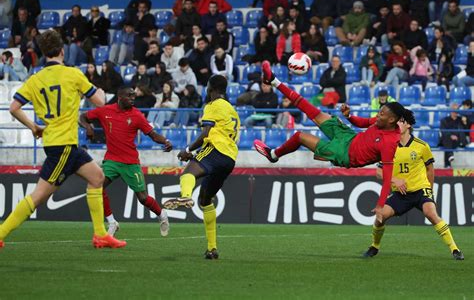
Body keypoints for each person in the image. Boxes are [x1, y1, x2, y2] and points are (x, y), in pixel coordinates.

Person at [0, 30, 125, 249]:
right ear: (62, 51)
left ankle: (100, 235)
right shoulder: (72, 74)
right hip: (63, 146)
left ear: (44, 53)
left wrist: (34, 126)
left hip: (60, 143)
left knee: (97, 177)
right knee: (38, 197)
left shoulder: (35, 79)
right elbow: (100, 101)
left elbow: (14, 108)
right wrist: (102, 92)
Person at [254, 60, 408, 221]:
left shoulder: (390, 143)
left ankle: (273, 154)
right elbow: (363, 123)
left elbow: (387, 177)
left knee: (299, 136)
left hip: (344, 154)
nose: (378, 115)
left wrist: (380, 205)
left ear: (391, 120)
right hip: (349, 136)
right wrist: (348, 116)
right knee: (311, 110)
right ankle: (274, 80)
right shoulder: (380, 121)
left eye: (382, 114)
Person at [363, 113, 464, 261]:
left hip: (420, 190)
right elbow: (379, 172)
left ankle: (455, 249)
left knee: (431, 214)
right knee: (380, 216)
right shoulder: (388, 146)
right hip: (401, 193)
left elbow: (430, 169)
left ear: (408, 125)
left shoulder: (422, 146)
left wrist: (429, 189)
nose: (397, 125)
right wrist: (394, 180)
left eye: (401, 122)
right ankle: (374, 246)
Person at [163, 75, 240, 260]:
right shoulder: (232, 110)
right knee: (206, 200)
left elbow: (206, 133)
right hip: (230, 158)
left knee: (187, 174)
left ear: (210, 88)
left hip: (215, 150)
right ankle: (212, 249)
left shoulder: (212, 106)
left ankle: (185, 197)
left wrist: (188, 149)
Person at [80, 87, 171, 237]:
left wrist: (165, 141)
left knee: (142, 198)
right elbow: (82, 117)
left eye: (134, 96)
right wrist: (88, 127)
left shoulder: (137, 115)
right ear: (120, 96)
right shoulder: (105, 111)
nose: (132, 99)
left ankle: (162, 214)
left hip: (130, 162)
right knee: (98, 187)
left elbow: (152, 134)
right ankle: (112, 223)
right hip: (111, 160)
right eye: (129, 96)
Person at [440, 103, 467, 168]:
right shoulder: (445, 120)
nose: (455, 112)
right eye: (454, 110)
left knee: (447, 142)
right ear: (451, 111)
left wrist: (465, 122)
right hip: (447, 139)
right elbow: (443, 131)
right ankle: (450, 155)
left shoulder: (460, 120)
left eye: (457, 110)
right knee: (447, 138)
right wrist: (451, 136)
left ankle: (447, 163)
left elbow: (466, 131)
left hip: (458, 140)